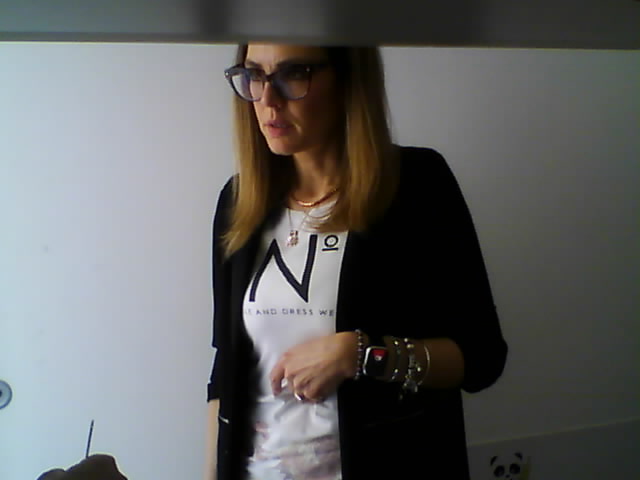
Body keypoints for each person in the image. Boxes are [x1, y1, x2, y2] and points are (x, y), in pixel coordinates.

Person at [204, 44, 508, 480]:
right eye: (254, 75)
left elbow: (481, 358)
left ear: (348, 78)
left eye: (293, 73)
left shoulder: (416, 185)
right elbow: (226, 367)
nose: (267, 99)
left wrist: (361, 353)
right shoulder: (238, 202)